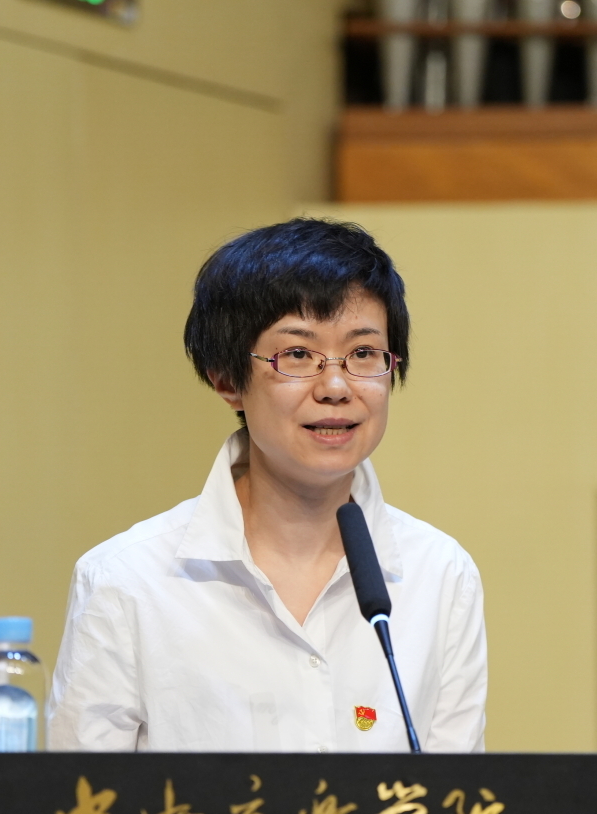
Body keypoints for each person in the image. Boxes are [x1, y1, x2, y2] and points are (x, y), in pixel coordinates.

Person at [46, 218, 486, 752]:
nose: (336, 386)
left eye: (363, 354)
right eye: (297, 355)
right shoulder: (127, 582)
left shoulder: (440, 575)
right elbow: (84, 799)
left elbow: (456, 795)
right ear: (227, 379)